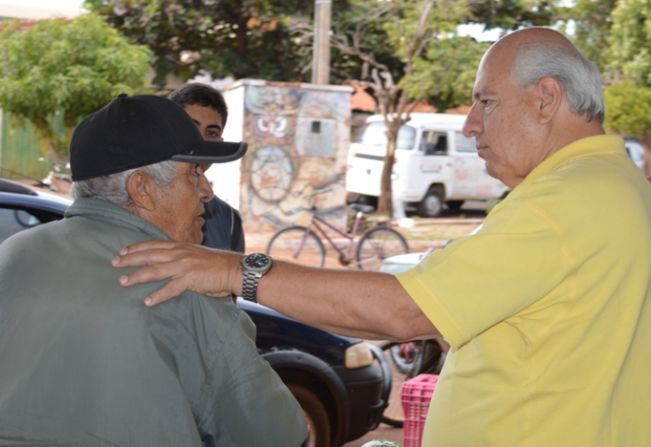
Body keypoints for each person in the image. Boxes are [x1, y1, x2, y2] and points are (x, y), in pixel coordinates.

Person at [112, 28, 651, 446]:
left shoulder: (562, 202)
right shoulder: (614, 185)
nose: (469, 124)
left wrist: (233, 271)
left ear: (546, 99)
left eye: (485, 102)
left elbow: (402, 312)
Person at [0, 94, 307, 446]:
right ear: (142, 189)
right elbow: (277, 435)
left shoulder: (13, 254)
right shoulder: (184, 284)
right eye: (193, 174)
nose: (207, 190)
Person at [169, 83, 245, 252]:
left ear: (220, 143)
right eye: (190, 128)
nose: (200, 141)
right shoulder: (132, 204)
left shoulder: (229, 220)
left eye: (211, 133)